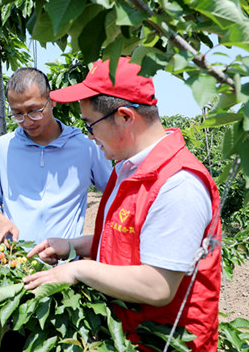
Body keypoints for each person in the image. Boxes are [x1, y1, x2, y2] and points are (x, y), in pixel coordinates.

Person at [23, 57, 221, 351]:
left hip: (162, 343)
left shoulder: (178, 184)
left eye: (90, 124)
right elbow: (127, 240)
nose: (89, 135)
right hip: (128, 337)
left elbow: (157, 285)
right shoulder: (125, 169)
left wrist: (77, 271)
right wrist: (73, 245)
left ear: (125, 117)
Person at [0, 67, 112, 351]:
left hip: (63, 280)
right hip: (14, 275)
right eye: (17, 113)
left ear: (51, 101)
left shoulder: (84, 147)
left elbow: (115, 194)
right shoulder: (2, 148)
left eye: (34, 110)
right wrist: (1, 220)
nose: (26, 121)